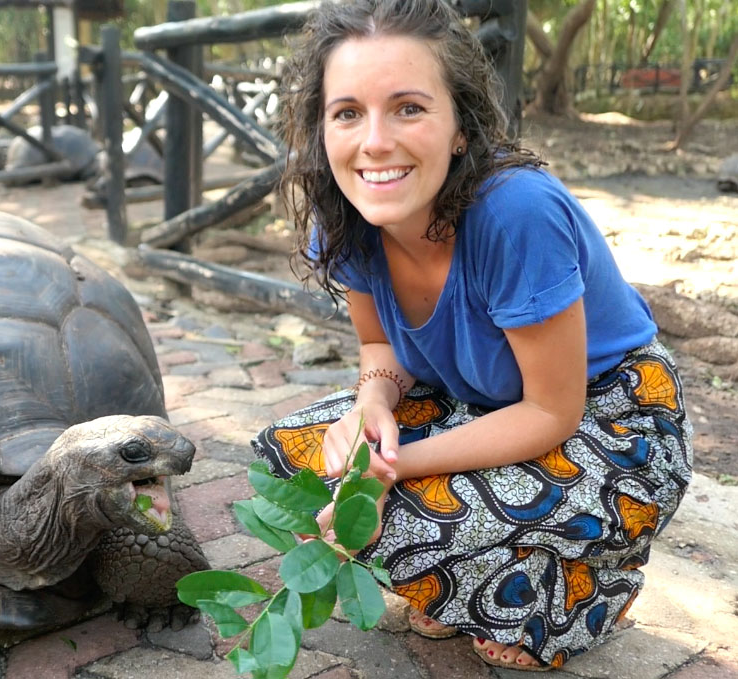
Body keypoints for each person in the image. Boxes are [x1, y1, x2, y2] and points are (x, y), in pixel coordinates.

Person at [251, 0, 693, 671]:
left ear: (459, 126)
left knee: (399, 515)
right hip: (478, 403)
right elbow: (380, 352)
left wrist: (388, 470)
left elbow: (552, 409)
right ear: (321, 130)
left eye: (407, 107)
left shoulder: (516, 213)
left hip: (611, 419)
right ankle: (468, 577)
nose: (374, 141)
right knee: (293, 459)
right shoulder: (346, 216)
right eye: (347, 112)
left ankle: (592, 584)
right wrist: (369, 411)